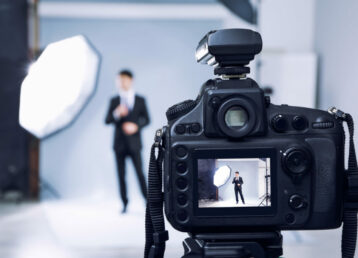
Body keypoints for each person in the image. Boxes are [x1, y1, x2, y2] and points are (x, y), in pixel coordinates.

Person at [105, 69, 150, 213]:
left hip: (135, 143)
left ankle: (147, 201)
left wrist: (136, 126)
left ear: (130, 80)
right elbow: (107, 120)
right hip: (119, 144)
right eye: (118, 80)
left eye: (123, 79)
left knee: (140, 173)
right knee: (121, 175)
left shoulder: (140, 100)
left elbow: (147, 119)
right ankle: (124, 204)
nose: (120, 82)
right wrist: (117, 113)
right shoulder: (114, 101)